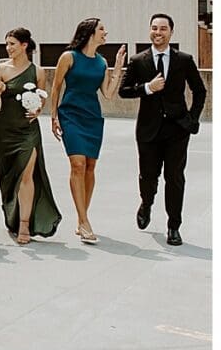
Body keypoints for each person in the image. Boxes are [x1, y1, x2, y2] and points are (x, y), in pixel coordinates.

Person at [119, 13, 206, 246]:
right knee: (148, 176)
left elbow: (200, 91)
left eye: (163, 29)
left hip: (177, 130)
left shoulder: (184, 60)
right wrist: (147, 87)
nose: (158, 32)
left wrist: (192, 120)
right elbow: (124, 91)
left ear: (171, 32)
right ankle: (146, 203)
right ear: (150, 30)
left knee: (175, 178)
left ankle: (173, 226)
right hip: (148, 130)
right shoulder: (138, 60)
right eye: (154, 28)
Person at [48, 18, 126, 245]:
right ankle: (84, 222)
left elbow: (109, 93)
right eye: (102, 29)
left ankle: (82, 218)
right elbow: (56, 87)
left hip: (92, 117)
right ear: (90, 32)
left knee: (91, 167)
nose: (105, 32)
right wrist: (53, 116)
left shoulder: (102, 62)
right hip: (70, 115)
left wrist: (118, 67)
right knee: (78, 164)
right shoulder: (68, 57)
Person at [0, 28, 61, 244]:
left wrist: (38, 110)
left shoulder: (37, 71)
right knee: (9, 179)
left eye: (12, 44)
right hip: (4, 131)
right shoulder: (0, 70)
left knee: (27, 176)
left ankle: (25, 225)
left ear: (24, 45)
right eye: (7, 44)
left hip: (28, 131)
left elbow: (42, 99)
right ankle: (12, 214)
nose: (8, 48)